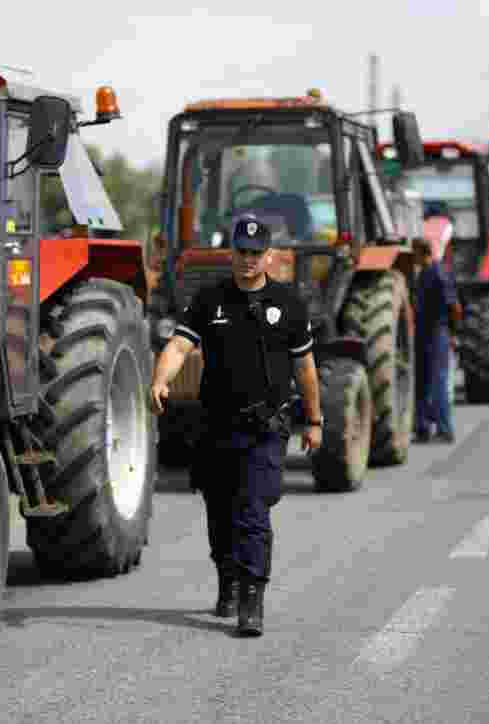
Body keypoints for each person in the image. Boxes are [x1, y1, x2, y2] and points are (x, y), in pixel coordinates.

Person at [149, 213, 323, 637]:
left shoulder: (289, 303)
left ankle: (252, 599)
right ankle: (227, 577)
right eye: (241, 252)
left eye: (255, 253)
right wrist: (160, 378)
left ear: (268, 256)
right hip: (216, 426)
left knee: (253, 511)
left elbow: (306, 369)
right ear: (232, 254)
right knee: (220, 512)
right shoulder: (209, 299)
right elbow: (178, 346)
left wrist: (314, 419)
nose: (247, 260)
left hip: (266, 427)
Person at [413, 236, 462, 444]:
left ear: (421, 252)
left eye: (413, 252)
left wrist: (453, 334)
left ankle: (445, 428)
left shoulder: (439, 273)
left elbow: (454, 307)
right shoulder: (423, 273)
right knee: (421, 382)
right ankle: (423, 427)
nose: (412, 256)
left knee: (438, 382)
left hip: (438, 332)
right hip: (423, 333)